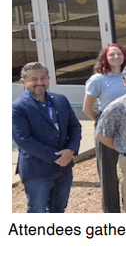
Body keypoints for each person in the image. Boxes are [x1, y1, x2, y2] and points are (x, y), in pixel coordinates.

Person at [14, 62, 82, 213]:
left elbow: (75, 127)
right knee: (37, 211)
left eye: (43, 78)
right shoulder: (17, 107)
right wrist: (57, 157)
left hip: (63, 170)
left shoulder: (60, 100)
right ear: (23, 82)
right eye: (34, 79)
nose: (39, 83)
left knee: (58, 210)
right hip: (37, 170)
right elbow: (23, 139)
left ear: (48, 79)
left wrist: (70, 150)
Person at [84, 43, 126, 213]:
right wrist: (102, 121)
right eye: (111, 55)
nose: (115, 57)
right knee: (109, 173)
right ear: (105, 58)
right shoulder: (98, 79)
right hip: (107, 128)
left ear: (124, 56)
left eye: (118, 54)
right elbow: (87, 108)